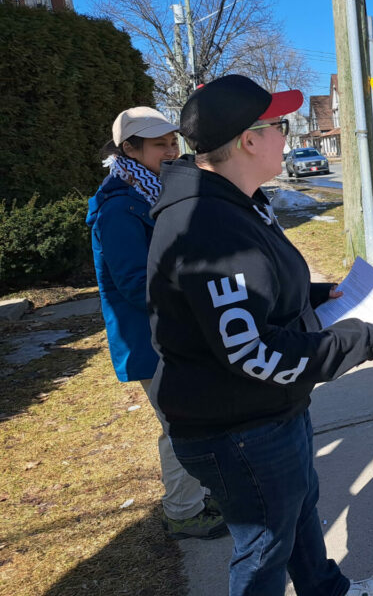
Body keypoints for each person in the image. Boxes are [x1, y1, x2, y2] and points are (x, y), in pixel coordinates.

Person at [147, 75, 373, 596]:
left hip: (266, 410)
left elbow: (247, 295)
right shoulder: (208, 226)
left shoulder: (237, 201)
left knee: (299, 511)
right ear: (249, 140)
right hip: (237, 427)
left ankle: (326, 590)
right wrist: (360, 340)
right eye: (280, 126)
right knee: (263, 551)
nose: (288, 134)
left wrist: (315, 295)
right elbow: (252, 349)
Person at [86, 107, 227, 540]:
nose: (171, 150)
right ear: (129, 148)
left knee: (193, 416)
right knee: (178, 423)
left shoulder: (151, 189)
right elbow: (133, 283)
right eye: (159, 144)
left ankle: (197, 493)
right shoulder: (119, 206)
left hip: (172, 330)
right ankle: (182, 510)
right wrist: (193, 298)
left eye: (173, 141)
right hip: (149, 337)